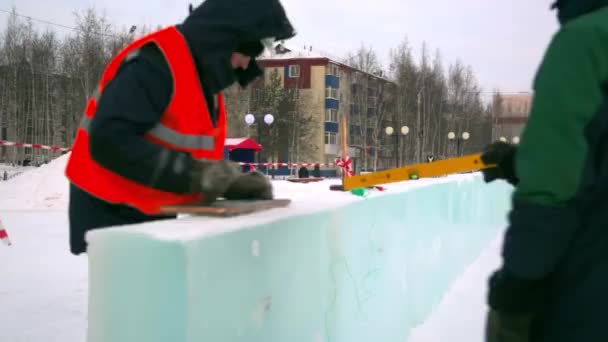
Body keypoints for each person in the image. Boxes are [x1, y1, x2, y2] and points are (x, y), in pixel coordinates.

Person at [64, 0, 296, 255]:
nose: (246, 64)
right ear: (223, 38)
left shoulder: (202, 82)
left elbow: (190, 155)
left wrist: (228, 183)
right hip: (110, 209)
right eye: (248, 50)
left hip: (150, 207)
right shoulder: (155, 64)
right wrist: (199, 177)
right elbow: (109, 139)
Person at [480, 1, 608, 341]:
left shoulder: (586, 41)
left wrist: (515, 292)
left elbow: (551, 190)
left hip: (585, 302)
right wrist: (518, 162)